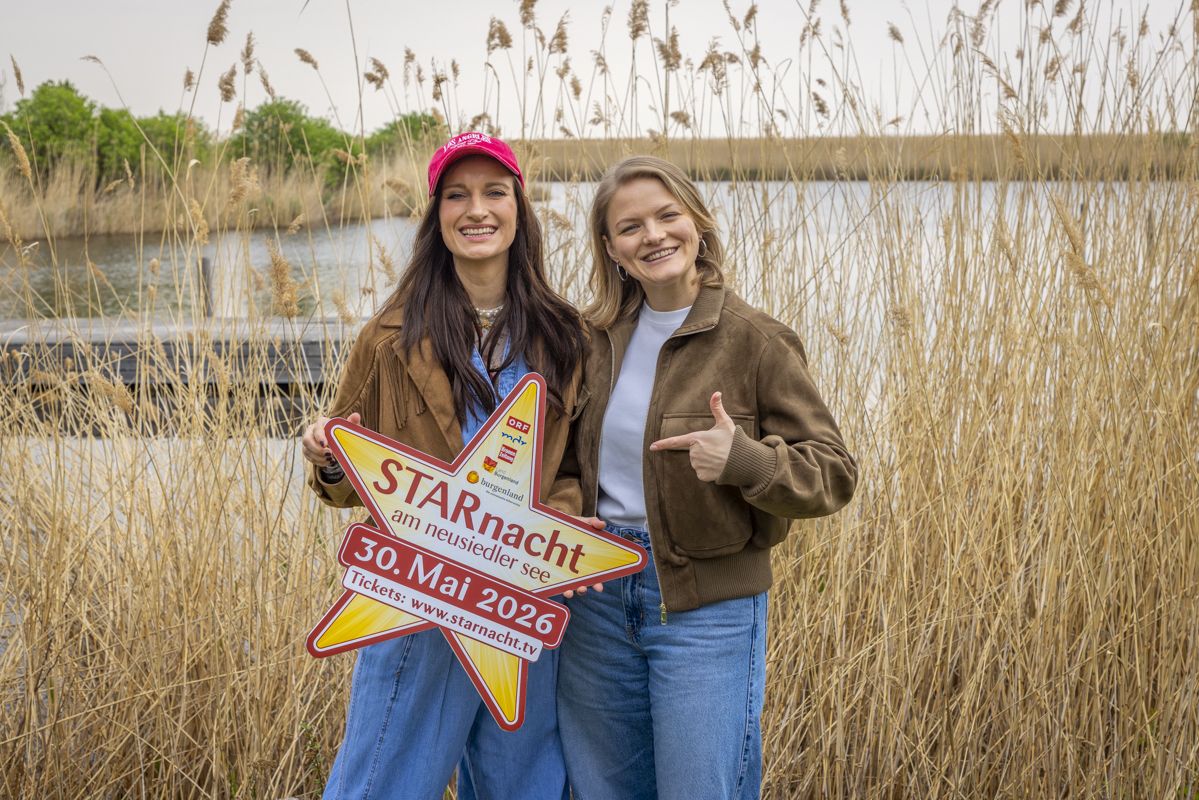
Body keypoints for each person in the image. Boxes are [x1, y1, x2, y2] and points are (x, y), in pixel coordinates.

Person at [556, 155, 858, 800]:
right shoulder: (589, 340)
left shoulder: (756, 340)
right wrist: (565, 507)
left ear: (698, 223)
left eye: (668, 216)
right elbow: (564, 462)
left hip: (706, 607)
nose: (654, 236)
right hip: (596, 598)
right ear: (610, 248)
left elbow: (833, 473)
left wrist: (743, 459)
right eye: (630, 226)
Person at [302, 131, 586, 800]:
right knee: (380, 781)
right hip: (416, 602)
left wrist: (556, 535)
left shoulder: (564, 334)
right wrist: (330, 458)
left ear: (518, 207)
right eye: (456, 195)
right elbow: (345, 472)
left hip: (516, 598)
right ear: (437, 217)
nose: (476, 209)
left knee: (527, 783)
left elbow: (576, 471)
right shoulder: (389, 334)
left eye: (493, 192)